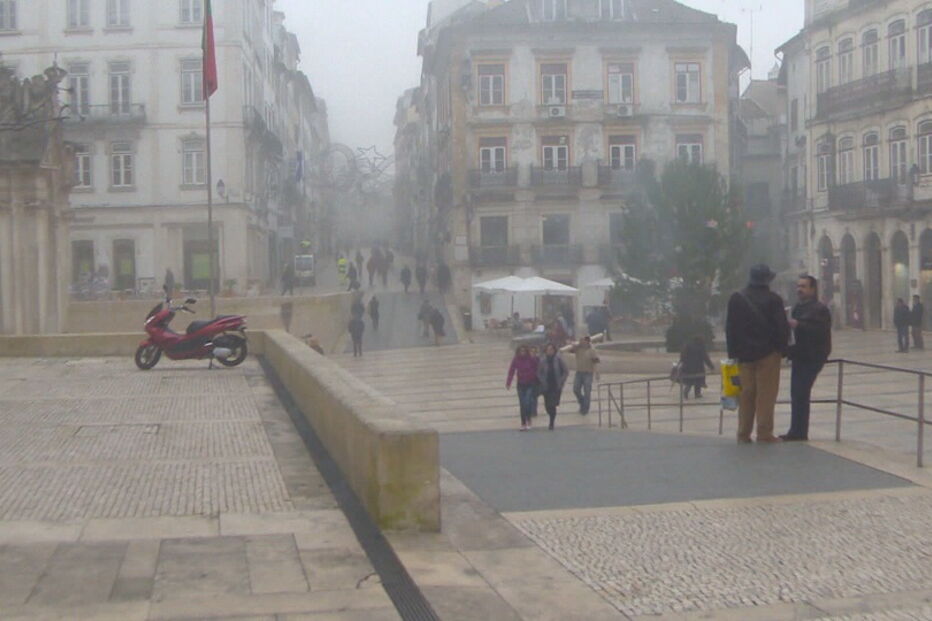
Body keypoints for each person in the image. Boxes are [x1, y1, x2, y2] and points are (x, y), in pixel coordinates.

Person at [725, 264, 791, 444]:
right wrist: (783, 350)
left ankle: (743, 433)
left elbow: (730, 328)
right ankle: (764, 433)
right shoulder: (773, 299)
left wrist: (733, 354)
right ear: (767, 279)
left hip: (744, 356)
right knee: (766, 395)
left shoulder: (736, 298)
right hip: (767, 354)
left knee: (746, 394)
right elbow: (781, 328)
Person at [781, 275, 832, 442]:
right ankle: (796, 430)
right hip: (799, 356)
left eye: (803, 286)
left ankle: (799, 432)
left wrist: (799, 325)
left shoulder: (819, 309)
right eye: (798, 286)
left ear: (812, 289)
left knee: (801, 392)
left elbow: (819, 331)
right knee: (797, 393)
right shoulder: (797, 307)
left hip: (812, 357)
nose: (799, 289)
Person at [506, 345, 539, 431]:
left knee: (527, 402)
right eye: (521, 351)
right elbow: (511, 371)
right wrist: (508, 382)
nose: (522, 353)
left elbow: (537, 367)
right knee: (522, 404)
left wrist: (535, 378)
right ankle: (523, 423)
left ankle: (529, 420)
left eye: (524, 351)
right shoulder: (516, 359)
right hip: (520, 384)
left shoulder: (530, 359)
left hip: (530, 384)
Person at [537, 343, 568, 431]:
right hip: (546, 386)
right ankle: (550, 415)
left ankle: (552, 422)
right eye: (548, 350)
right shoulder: (542, 360)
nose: (550, 351)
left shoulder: (558, 359)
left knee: (553, 404)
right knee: (547, 405)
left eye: (551, 350)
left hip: (556, 385)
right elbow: (539, 372)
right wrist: (542, 380)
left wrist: (562, 381)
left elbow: (565, 371)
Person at [569, 336, 599, 415]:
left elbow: (595, 362)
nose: (581, 342)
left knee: (587, 391)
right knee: (576, 389)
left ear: (587, 341)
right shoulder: (578, 349)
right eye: (580, 340)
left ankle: (585, 409)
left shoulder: (592, 350)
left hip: (588, 373)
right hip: (579, 372)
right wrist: (573, 345)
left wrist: (597, 373)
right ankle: (582, 401)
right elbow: (569, 350)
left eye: (582, 340)